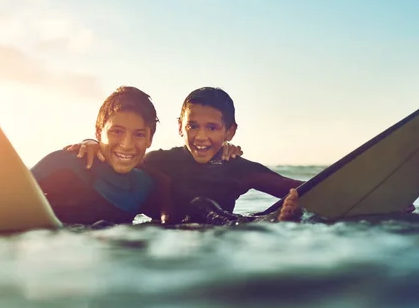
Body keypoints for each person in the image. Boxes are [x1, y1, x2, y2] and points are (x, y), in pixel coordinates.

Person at [0, 86, 171, 232]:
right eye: (116, 132)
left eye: (139, 135)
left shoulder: (146, 187)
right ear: (98, 132)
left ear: (150, 139)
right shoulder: (65, 164)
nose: (127, 144)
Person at [65, 87, 306, 225]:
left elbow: (305, 189)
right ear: (181, 126)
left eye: (212, 128)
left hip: (221, 237)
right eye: (193, 126)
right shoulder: (160, 161)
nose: (201, 136)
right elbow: (121, 159)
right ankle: (267, 223)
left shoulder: (238, 169)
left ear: (229, 131)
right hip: (169, 240)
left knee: (204, 207)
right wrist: (92, 143)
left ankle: (268, 222)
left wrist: (295, 204)